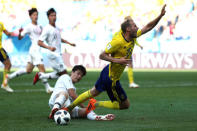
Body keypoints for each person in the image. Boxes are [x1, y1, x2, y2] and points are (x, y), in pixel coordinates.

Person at [60, 4, 166, 113]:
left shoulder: (133, 36)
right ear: (128, 29)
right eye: (135, 26)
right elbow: (102, 55)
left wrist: (160, 16)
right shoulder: (118, 41)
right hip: (111, 79)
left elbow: (148, 27)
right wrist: (118, 60)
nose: (137, 27)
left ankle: (69, 108)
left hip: (108, 70)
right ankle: (95, 104)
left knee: (93, 92)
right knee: (125, 105)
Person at [7, 8, 53, 93]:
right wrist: (20, 33)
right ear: (30, 16)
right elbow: (20, 38)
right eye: (34, 15)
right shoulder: (28, 27)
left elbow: (43, 37)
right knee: (42, 70)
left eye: (36, 15)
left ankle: (9, 76)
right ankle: (48, 88)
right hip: (35, 50)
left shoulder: (40, 26)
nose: (36, 16)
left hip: (35, 50)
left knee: (28, 70)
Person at [48, 65, 115, 121]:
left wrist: (86, 108)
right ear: (72, 72)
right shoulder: (65, 77)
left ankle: (101, 117)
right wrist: (83, 105)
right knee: (64, 93)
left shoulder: (73, 87)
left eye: (81, 76)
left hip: (67, 108)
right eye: (78, 73)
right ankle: (55, 109)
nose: (79, 76)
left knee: (87, 110)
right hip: (56, 101)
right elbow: (72, 94)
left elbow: (73, 99)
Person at [33, 8, 75, 84]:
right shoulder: (47, 28)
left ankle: (41, 76)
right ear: (48, 17)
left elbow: (59, 38)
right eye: (52, 15)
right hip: (53, 55)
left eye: (55, 15)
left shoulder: (56, 28)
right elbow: (39, 42)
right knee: (65, 76)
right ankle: (68, 93)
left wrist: (69, 43)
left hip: (58, 54)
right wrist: (49, 47)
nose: (54, 17)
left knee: (60, 75)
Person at [0, 21, 14, 92]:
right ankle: (4, 84)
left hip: (0, 49)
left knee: (8, 64)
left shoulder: (1, 24)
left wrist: (15, 32)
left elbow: (7, 33)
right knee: (8, 64)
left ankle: (4, 84)